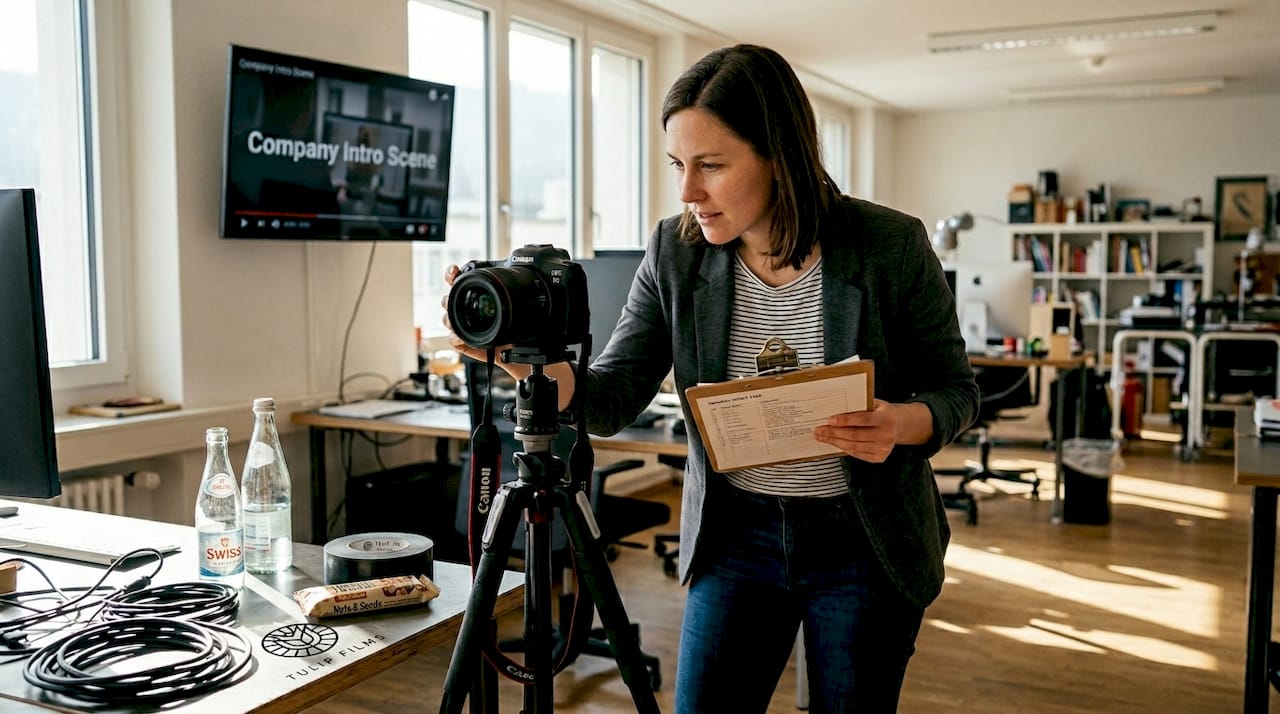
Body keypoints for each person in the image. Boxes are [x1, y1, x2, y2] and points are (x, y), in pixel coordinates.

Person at [444, 44, 979, 713]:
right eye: (678, 165)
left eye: (712, 166)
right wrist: (526, 365)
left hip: (862, 540)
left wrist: (899, 423)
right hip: (737, 538)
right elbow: (612, 395)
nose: (687, 190)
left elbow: (956, 391)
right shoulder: (676, 250)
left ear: (779, 154)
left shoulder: (888, 246)